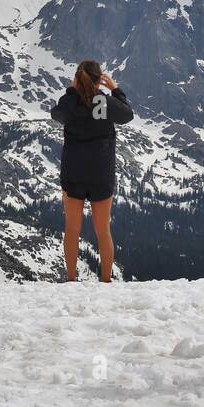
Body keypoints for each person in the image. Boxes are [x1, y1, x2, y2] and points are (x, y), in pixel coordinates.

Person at [50, 60, 134, 282]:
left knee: (72, 229)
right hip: (101, 173)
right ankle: (106, 280)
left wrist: (72, 90)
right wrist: (115, 89)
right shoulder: (105, 102)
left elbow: (56, 114)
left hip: (74, 173)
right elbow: (127, 115)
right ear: (100, 80)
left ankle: (71, 279)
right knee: (103, 231)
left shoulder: (70, 102)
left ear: (77, 78)